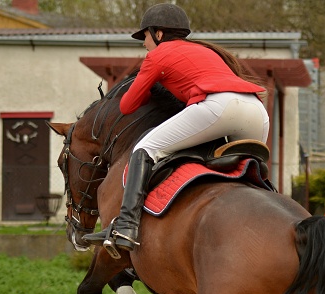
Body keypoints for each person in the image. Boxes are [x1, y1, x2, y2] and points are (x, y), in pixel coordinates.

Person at [84, 3, 270, 253]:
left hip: (220, 107)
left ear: (158, 34)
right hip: (256, 111)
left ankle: (126, 225)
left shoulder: (157, 56)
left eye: (145, 37)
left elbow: (127, 105)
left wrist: (148, 87)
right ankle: (271, 212)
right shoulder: (204, 51)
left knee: (145, 148)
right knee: (250, 173)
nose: (144, 44)